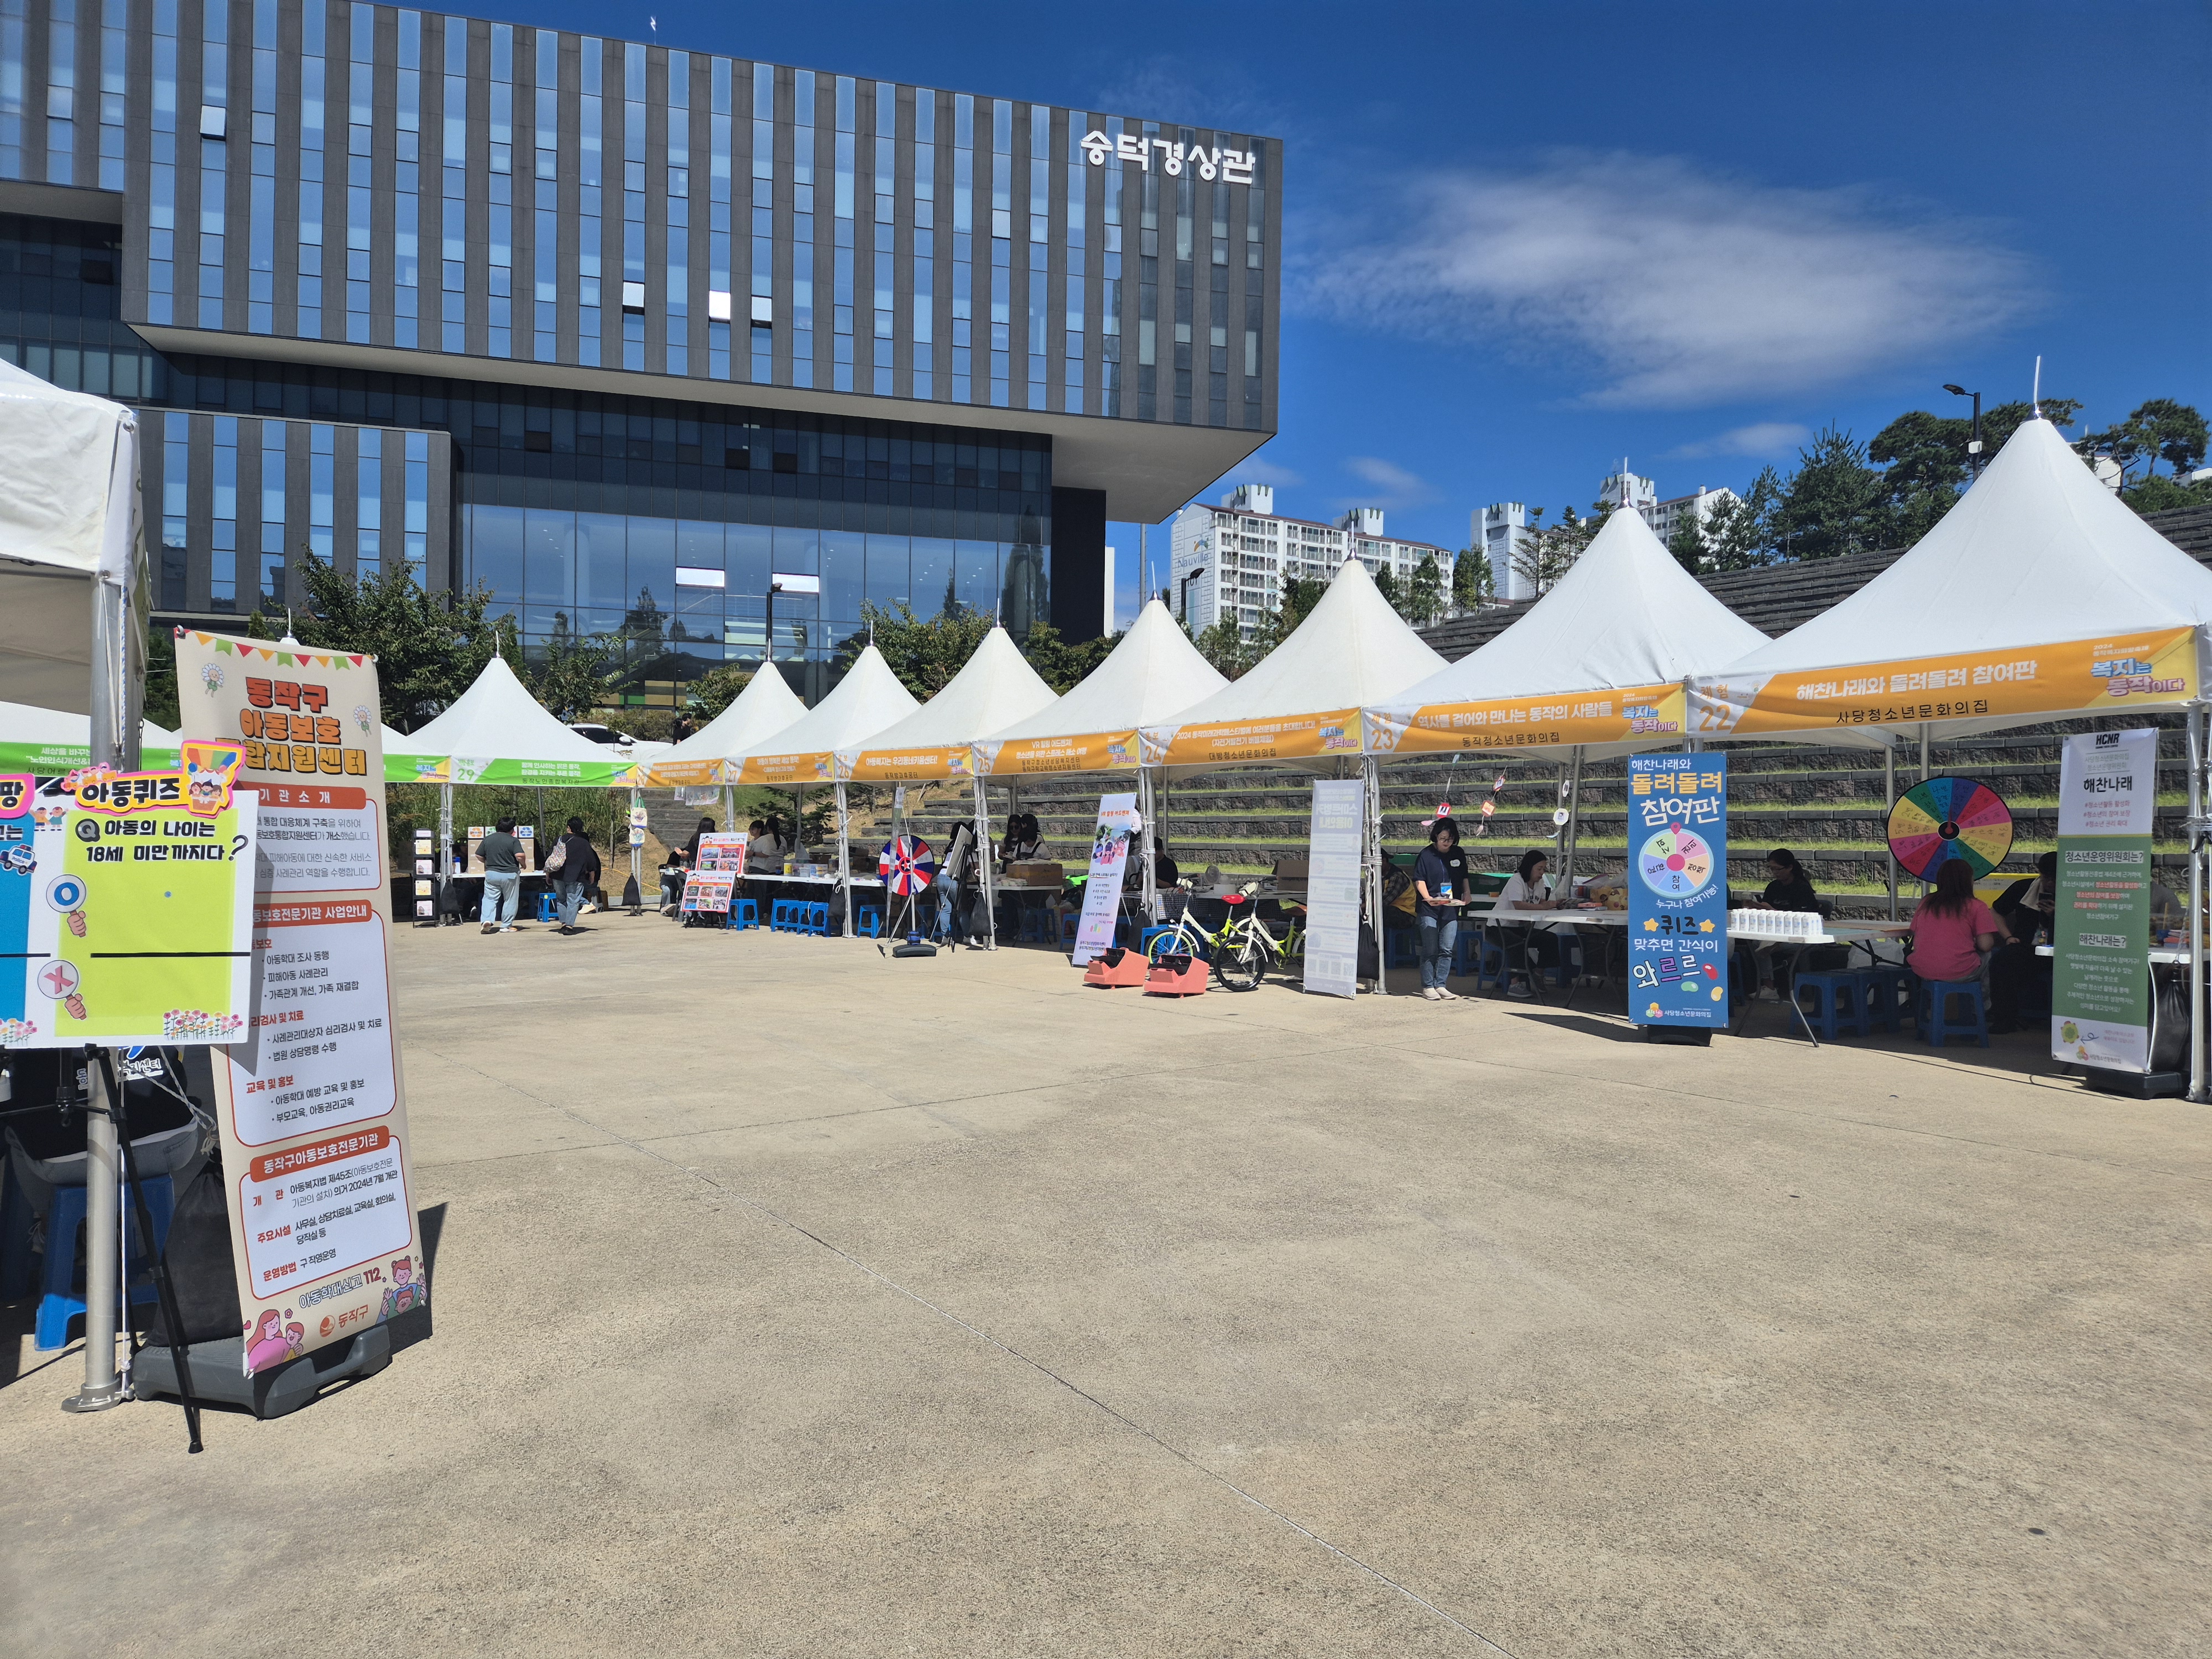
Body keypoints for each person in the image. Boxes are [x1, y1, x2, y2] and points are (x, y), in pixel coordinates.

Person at [1907, 860, 2004, 996]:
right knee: (1988, 956)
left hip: (1922, 971)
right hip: (1959, 972)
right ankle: (1982, 1006)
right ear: (1968, 881)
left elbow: (1914, 930)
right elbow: (1986, 945)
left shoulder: (1926, 902)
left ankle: (1933, 1008)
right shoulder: (1977, 906)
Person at [1736, 849, 1820, 999]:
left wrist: (1774, 911)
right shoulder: (1773, 887)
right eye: (1771, 869)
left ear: (1789, 867)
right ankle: (1768, 984)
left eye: (1777, 869)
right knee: (1757, 943)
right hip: (1775, 932)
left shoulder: (1802, 889)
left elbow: (1802, 919)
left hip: (1800, 936)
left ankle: (1770, 986)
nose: (1775, 873)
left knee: (1763, 945)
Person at [1989, 852, 2057, 1033]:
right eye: (2046, 878)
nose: (2049, 883)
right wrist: (2008, 937)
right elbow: (1996, 911)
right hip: (2026, 946)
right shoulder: (2024, 888)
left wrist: (2055, 915)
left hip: (2059, 949)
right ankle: (2004, 1018)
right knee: (2001, 960)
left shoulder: (2075, 893)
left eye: (2054, 879)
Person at [1411, 818, 1472, 1003]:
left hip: (1450, 908)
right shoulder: (1426, 855)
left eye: (1450, 839)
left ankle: (1441, 984)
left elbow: (1464, 876)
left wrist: (1467, 893)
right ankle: (1428, 986)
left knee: (1446, 948)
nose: (1447, 842)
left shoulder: (1458, 853)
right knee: (1430, 948)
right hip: (1429, 908)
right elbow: (1419, 879)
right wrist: (1428, 898)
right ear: (1436, 836)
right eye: (1443, 838)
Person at [1493, 848, 1561, 998]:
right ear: (1530, 867)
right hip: (1498, 927)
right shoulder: (1516, 880)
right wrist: (1544, 906)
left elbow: (1543, 902)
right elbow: (1518, 905)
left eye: (1544, 869)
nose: (1542, 872)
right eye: (1539, 869)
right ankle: (1515, 984)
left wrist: (1556, 904)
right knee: (1517, 944)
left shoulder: (1540, 883)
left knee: (1550, 939)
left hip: (1519, 927)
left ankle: (1538, 974)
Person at [547, 817, 602, 934]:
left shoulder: (559, 840)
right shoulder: (583, 843)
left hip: (558, 875)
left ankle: (563, 924)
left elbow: (550, 857)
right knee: (573, 901)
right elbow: (591, 860)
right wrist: (592, 874)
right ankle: (569, 926)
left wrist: (548, 874)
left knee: (561, 900)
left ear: (569, 828)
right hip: (576, 876)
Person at [476, 817, 524, 934]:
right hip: (510, 874)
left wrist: (487, 862)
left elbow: (478, 855)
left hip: (492, 873)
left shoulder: (488, 839)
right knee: (510, 900)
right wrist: (524, 864)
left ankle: (487, 920)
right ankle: (506, 925)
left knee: (489, 898)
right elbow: (520, 856)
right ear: (511, 829)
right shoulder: (513, 840)